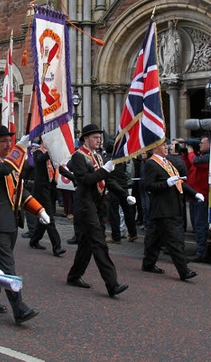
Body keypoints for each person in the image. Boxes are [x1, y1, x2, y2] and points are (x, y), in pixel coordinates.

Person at [0, 125, 49, 324]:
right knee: (8, 266)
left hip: (11, 221)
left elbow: (20, 191)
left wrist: (39, 210)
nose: (8, 144)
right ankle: (19, 308)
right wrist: (20, 149)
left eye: (10, 141)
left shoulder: (10, 163)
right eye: (4, 141)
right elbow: (4, 169)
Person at [66, 124, 133, 297]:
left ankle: (74, 276)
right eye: (95, 137)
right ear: (85, 139)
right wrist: (104, 171)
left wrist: (124, 195)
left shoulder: (97, 156)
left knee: (86, 245)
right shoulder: (78, 157)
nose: (99, 140)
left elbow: (108, 181)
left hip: (97, 205)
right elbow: (85, 180)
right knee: (99, 243)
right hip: (85, 206)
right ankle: (112, 284)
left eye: (99, 137)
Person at [142, 140, 203, 281]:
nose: (167, 147)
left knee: (154, 239)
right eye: (163, 145)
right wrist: (166, 183)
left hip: (171, 207)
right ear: (155, 148)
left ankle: (148, 264)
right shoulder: (151, 163)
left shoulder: (167, 162)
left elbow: (179, 182)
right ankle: (184, 271)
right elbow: (149, 186)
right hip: (164, 209)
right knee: (174, 240)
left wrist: (194, 193)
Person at [29, 140, 66, 256]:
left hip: (51, 189)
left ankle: (34, 240)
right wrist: (52, 151)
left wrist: (73, 178)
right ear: (42, 143)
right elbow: (41, 159)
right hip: (41, 190)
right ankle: (57, 246)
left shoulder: (51, 156)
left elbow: (60, 168)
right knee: (49, 217)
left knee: (44, 218)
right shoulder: (37, 153)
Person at [184, 136, 211, 260]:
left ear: (210, 144)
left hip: (202, 196)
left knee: (200, 225)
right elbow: (189, 164)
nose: (200, 144)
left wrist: (190, 153)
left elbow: (194, 161)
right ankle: (199, 249)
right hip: (194, 195)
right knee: (196, 225)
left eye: (202, 143)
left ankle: (201, 252)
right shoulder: (200, 156)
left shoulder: (207, 157)